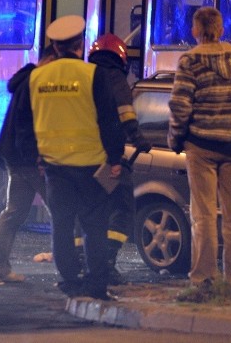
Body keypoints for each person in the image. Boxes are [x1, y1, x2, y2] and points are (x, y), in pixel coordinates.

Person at [12, 15, 126, 300]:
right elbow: (109, 119)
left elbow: (23, 124)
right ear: (80, 44)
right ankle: (97, 283)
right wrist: (115, 158)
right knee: (94, 226)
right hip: (90, 165)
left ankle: (70, 280)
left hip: (54, 167)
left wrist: (32, 157)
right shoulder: (93, 75)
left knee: (61, 226)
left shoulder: (36, 78)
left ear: (54, 45)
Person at [168, 7, 231, 301]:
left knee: (204, 213)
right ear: (222, 29)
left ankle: (203, 279)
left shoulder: (190, 61)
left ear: (195, 30)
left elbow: (181, 106)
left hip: (201, 146)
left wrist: (176, 138)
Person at [0, 45, 56, 283]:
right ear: (49, 59)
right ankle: (72, 265)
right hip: (28, 159)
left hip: (15, 157)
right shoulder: (36, 82)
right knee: (61, 209)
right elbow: (28, 124)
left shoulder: (24, 79)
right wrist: (36, 157)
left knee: (14, 212)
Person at [86, 33, 151, 285]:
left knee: (90, 208)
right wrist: (138, 138)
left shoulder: (86, 76)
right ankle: (108, 261)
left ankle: (85, 259)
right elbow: (124, 115)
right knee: (123, 207)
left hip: (84, 155)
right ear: (121, 58)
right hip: (108, 155)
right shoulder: (115, 78)